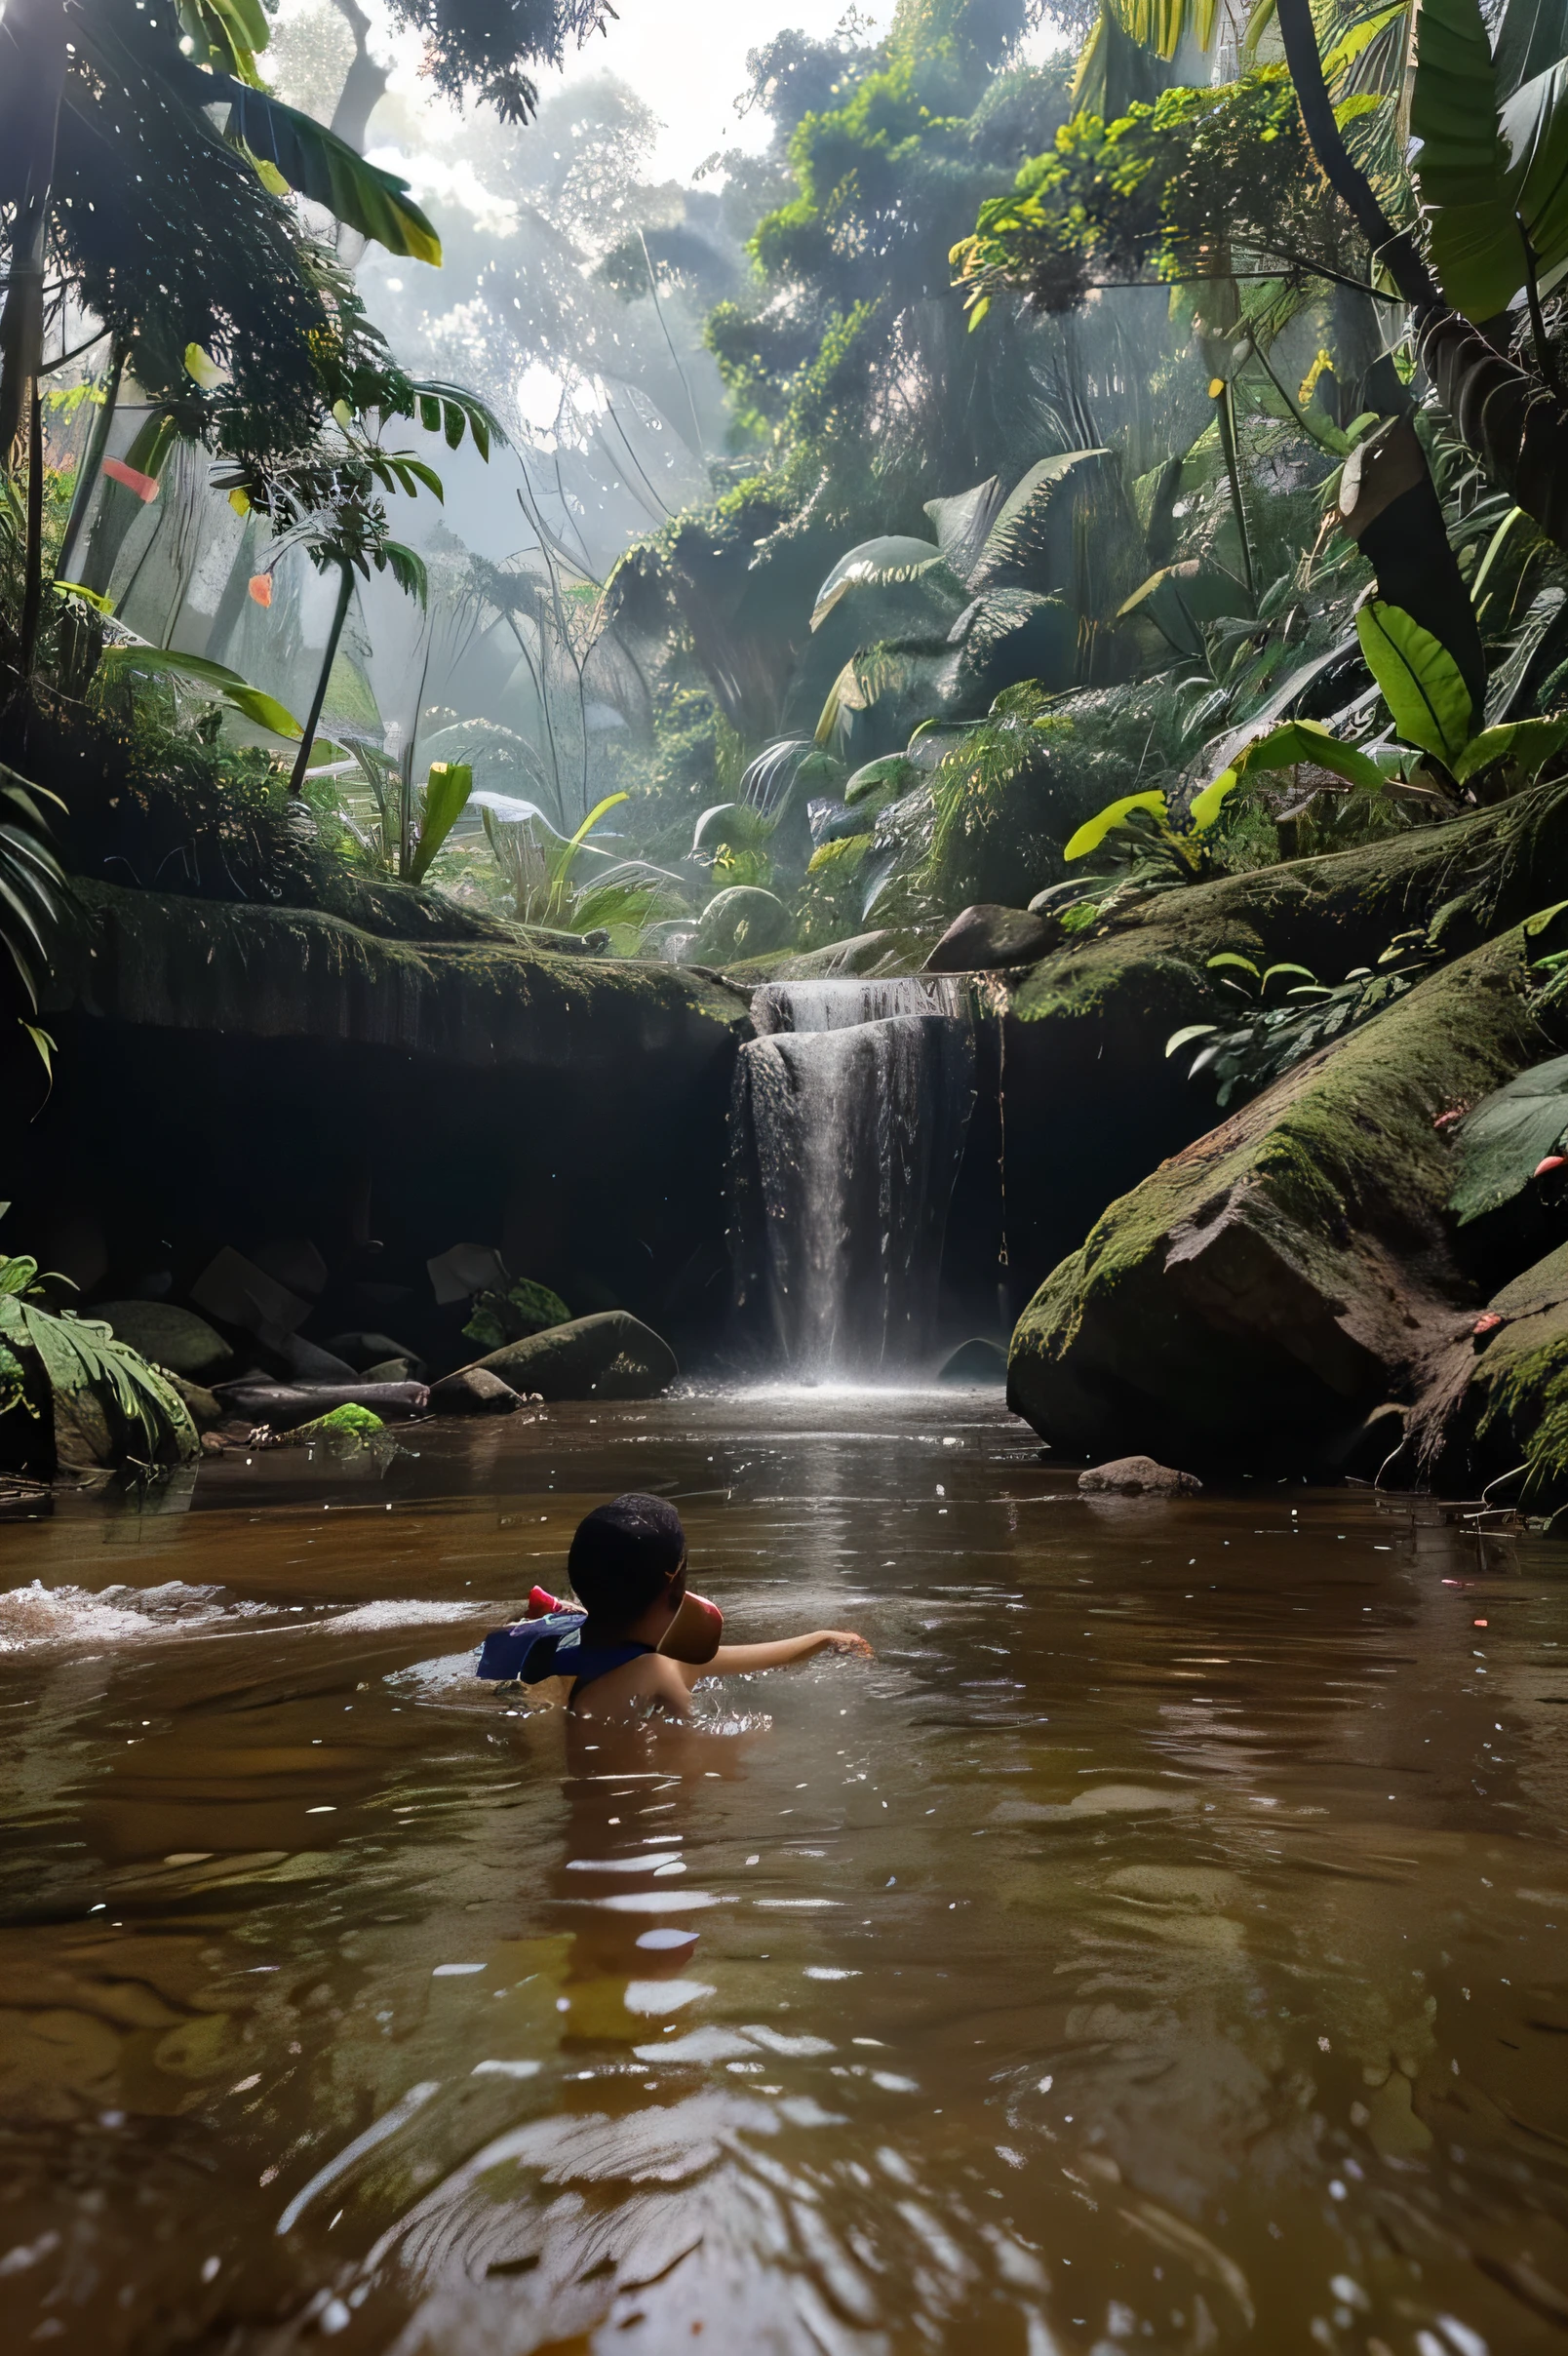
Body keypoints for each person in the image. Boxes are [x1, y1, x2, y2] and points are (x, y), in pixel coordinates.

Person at [477, 1492, 871, 1720]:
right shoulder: (657, 1673)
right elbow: (697, 1764)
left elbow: (733, 1658)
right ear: (675, 1589)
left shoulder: (563, 1635)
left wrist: (822, 1638)